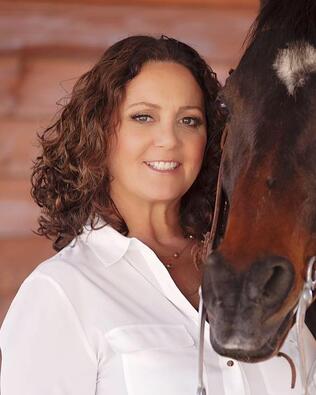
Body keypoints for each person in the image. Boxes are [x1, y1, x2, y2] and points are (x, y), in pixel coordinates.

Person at [0, 35, 315, 395]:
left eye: (189, 121)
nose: (168, 139)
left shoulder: (256, 272)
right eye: (143, 117)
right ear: (98, 131)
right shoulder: (62, 291)